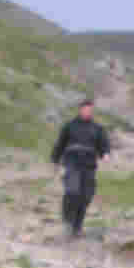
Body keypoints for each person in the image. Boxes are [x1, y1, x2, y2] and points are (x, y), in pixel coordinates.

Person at [50, 98, 109, 237]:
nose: (88, 111)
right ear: (80, 109)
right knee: (72, 191)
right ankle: (68, 221)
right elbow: (60, 144)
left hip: (89, 166)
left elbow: (104, 145)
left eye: (90, 109)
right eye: (85, 108)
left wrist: (106, 154)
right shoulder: (69, 126)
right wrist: (55, 160)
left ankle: (77, 226)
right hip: (72, 163)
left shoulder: (98, 129)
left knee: (86, 196)